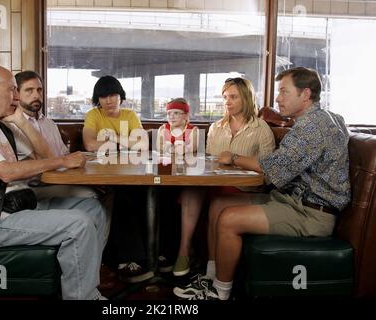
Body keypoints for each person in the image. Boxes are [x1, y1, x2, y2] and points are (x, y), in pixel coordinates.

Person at [0, 64, 107, 300]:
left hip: (22, 203)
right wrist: (64, 160)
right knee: (79, 223)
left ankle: (85, 287)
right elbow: (6, 172)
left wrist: (22, 122)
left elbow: (45, 159)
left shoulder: (0, 125)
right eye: (11, 90)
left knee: (93, 209)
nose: (16, 97)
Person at [180, 67, 351, 300]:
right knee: (219, 203)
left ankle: (219, 292)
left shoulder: (312, 126)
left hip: (311, 213)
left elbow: (275, 167)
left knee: (229, 219)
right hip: (295, 201)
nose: (278, 98)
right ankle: (210, 277)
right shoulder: (329, 118)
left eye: (284, 91)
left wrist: (234, 158)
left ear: (305, 94)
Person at [172, 77, 275, 278]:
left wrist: (236, 160)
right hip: (213, 183)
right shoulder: (215, 127)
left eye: (233, 97)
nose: (227, 102)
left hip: (243, 189)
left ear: (246, 98)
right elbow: (209, 161)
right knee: (190, 190)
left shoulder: (262, 129)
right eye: (225, 97)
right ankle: (184, 251)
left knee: (215, 199)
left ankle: (212, 272)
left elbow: (269, 171)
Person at [82, 75, 153, 283]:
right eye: (103, 96)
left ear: (120, 96)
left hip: (131, 173)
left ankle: (153, 256)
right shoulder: (93, 115)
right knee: (121, 197)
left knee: (152, 195)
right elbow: (89, 144)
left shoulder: (130, 115)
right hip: (102, 175)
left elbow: (143, 145)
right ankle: (128, 259)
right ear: (98, 99)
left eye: (113, 94)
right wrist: (126, 143)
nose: (109, 100)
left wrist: (112, 140)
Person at [12, 70, 99, 200]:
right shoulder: (12, 126)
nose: (36, 95)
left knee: (106, 189)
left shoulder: (49, 124)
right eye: (29, 90)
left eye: (39, 90)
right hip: (30, 187)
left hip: (58, 179)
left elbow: (64, 155)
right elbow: (42, 160)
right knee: (91, 194)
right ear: (16, 94)